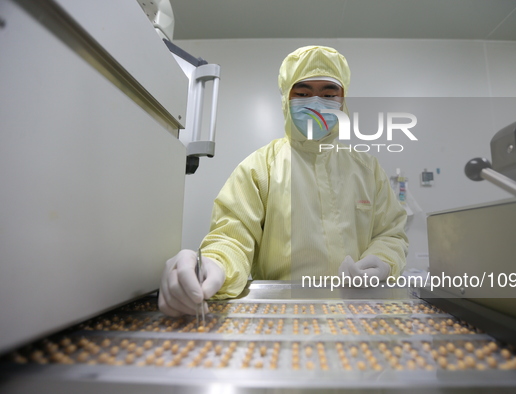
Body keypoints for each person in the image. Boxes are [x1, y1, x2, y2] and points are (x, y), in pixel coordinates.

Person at [159, 45, 408, 317]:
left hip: (359, 316)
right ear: (286, 100)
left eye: (328, 94)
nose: (316, 103)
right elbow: (232, 238)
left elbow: (390, 232)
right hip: (282, 317)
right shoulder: (259, 168)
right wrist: (215, 265)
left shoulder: (367, 169)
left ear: (343, 100)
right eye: (302, 94)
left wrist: (384, 261)